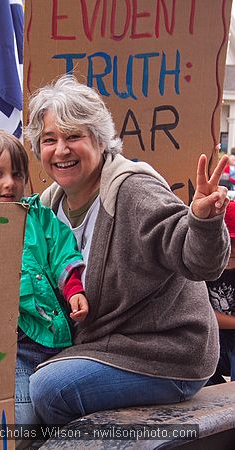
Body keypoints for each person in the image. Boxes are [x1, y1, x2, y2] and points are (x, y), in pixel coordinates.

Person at [23, 74, 231, 428]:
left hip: (163, 355)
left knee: (49, 389)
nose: (61, 150)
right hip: (96, 347)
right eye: (49, 140)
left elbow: (198, 260)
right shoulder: (46, 207)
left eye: (74, 136)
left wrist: (202, 221)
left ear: (101, 141)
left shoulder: (134, 191)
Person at [0, 129, 89, 426]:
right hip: (12, 352)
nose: (10, 183)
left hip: (56, 343)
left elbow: (63, 252)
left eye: (17, 174)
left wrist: (74, 290)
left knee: (62, 415)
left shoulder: (37, 216)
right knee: (20, 422)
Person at [207, 200, 235, 383]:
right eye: (228, 240)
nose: (232, 247)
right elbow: (203, 314)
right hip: (213, 338)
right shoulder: (202, 267)